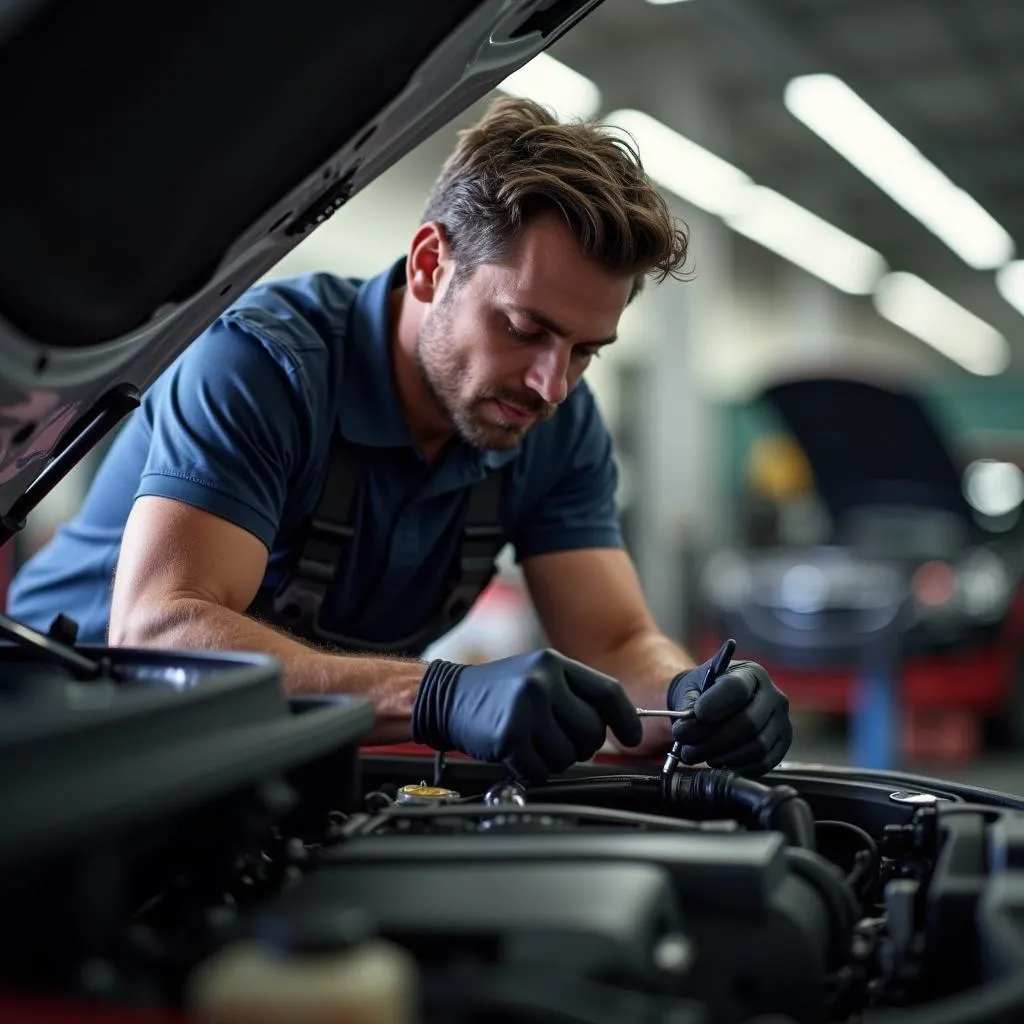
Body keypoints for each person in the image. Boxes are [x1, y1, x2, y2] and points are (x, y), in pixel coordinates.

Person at [7, 97, 792, 782]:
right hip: (61, 735)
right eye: (524, 328)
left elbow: (618, 641)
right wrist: (438, 694)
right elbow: (159, 629)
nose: (550, 384)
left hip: (277, 753)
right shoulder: (262, 367)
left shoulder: (558, 426)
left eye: (586, 351)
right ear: (428, 264)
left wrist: (687, 697)